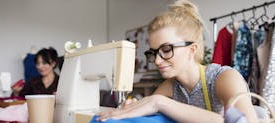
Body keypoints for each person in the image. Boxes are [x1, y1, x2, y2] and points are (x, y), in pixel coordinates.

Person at [97, 0, 258, 122]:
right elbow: (149, 111)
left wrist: (160, 103)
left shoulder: (223, 78)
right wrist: (133, 106)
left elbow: (245, 122)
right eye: (154, 53)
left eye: (166, 50)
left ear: (192, 49)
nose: (158, 61)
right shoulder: (171, 86)